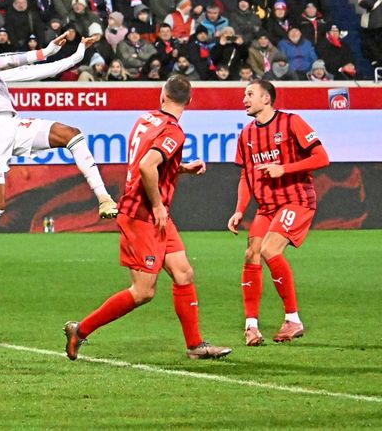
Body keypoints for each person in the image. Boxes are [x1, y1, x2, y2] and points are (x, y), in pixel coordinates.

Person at [0, 9, 119, 264]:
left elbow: (30, 72)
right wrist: (44, 52)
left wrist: (77, 55)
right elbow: (1, 62)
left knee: (71, 134)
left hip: (11, 124)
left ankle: (104, 199)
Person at [64, 75, 232, 361]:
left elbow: (150, 164)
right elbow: (146, 166)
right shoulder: (174, 132)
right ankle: (80, 331)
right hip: (143, 214)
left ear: (162, 96)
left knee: (183, 273)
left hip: (152, 214)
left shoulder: (144, 120)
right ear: (189, 102)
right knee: (143, 291)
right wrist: (157, 206)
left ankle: (194, 346)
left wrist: (183, 168)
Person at [228, 80, 330, 346]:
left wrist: (284, 168)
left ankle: (293, 320)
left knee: (270, 249)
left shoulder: (291, 122)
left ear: (266, 98)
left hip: (296, 200)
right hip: (267, 206)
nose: (244, 99)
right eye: (243, 95)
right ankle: (251, 326)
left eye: (249, 94)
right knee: (251, 253)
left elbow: (322, 157)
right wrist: (239, 210)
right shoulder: (247, 134)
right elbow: (245, 175)